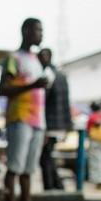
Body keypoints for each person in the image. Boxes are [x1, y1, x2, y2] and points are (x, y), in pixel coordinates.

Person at [0, 18, 49, 201]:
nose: (41, 34)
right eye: (38, 30)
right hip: (19, 118)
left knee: (28, 170)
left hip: (38, 121)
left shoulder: (37, 61)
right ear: (26, 31)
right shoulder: (14, 58)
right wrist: (32, 85)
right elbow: (3, 89)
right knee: (14, 167)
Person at [38, 48, 72, 191]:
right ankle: (57, 184)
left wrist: (43, 127)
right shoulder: (61, 75)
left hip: (49, 124)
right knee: (48, 155)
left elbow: (42, 102)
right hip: (59, 123)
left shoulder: (47, 74)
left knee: (45, 157)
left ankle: (51, 186)